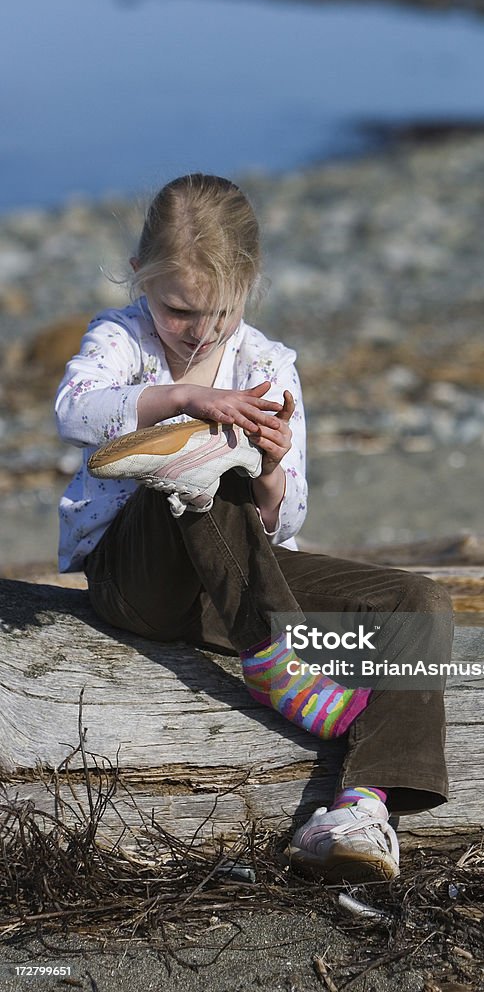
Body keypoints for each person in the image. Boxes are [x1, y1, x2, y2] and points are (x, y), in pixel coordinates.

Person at [55, 173, 453, 883]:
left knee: (416, 603)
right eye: (179, 309)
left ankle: (359, 808)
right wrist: (183, 398)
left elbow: (286, 518)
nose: (199, 330)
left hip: (237, 583)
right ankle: (277, 663)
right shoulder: (120, 337)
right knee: (198, 454)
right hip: (137, 580)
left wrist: (268, 469)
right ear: (141, 277)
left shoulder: (267, 364)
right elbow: (73, 411)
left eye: (220, 312)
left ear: (250, 286)